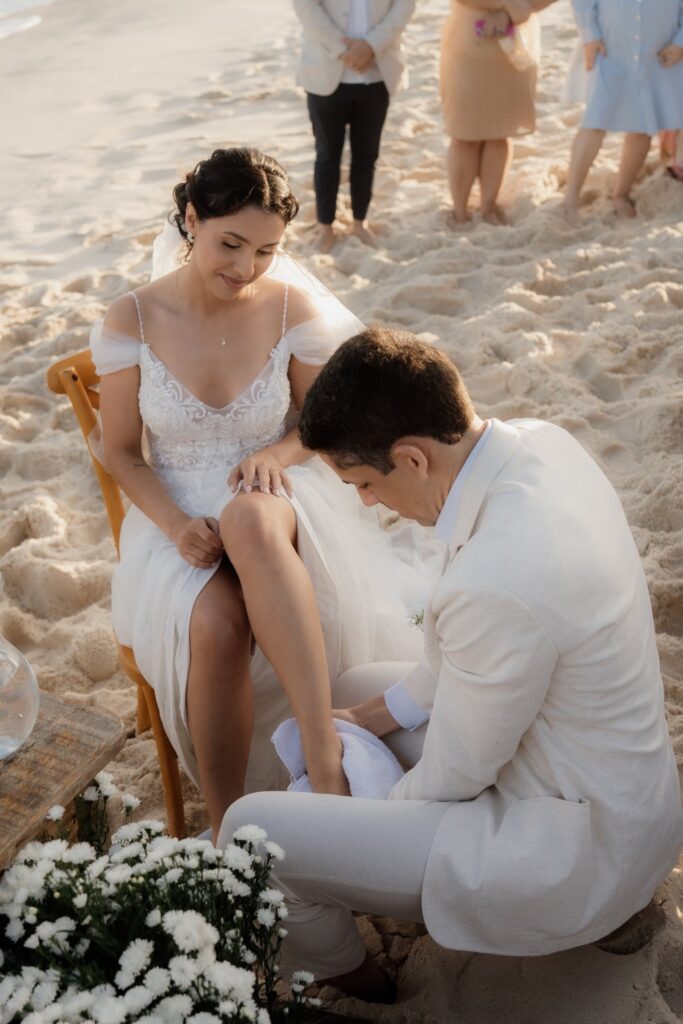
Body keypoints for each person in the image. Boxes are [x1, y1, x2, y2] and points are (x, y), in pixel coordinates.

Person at [220, 328, 683, 1003]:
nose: (366, 504)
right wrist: (373, 718)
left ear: (410, 457)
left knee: (250, 833)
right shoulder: (540, 443)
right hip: (611, 785)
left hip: (580, 852)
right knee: (352, 691)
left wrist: (363, 813)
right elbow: (476, 659)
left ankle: (356, 986)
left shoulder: (497, 579)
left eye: (364, 484)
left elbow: (456, 775)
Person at [91, 149, 434, 843]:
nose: (245, 268)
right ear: (191, 219)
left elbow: (316, 424)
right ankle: (228, 828)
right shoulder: (131, 319)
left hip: (275, 491)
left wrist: (274, 455)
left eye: (267, 251)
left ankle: (320, 754)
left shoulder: (290, 308)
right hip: (174, 506)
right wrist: (176, 522)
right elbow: (120, 451)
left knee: (248, 512)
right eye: (230, 244)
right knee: (215, 627)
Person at [292, 0, 416, 252]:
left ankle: (360, 222)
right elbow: (306, 6)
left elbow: (404, 5)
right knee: (327, 155)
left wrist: (371, 46)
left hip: (377, 71)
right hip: (325, 67)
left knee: (366, 155)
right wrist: (342, 49)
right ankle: (325, 226)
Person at [564, 0, 683, 223]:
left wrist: (680, 42)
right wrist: (589, 33)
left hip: (657, 52)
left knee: (643, 125)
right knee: (595, 121)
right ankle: (570, 198)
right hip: (610, 48)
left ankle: (621, 192)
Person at [440, 0, 556, 226]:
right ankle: (460, 212)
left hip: (516, 44)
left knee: (500, 130)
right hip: (469, 38)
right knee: (465, 132)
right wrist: (508, 3)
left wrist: (517, 11)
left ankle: (488, 206)